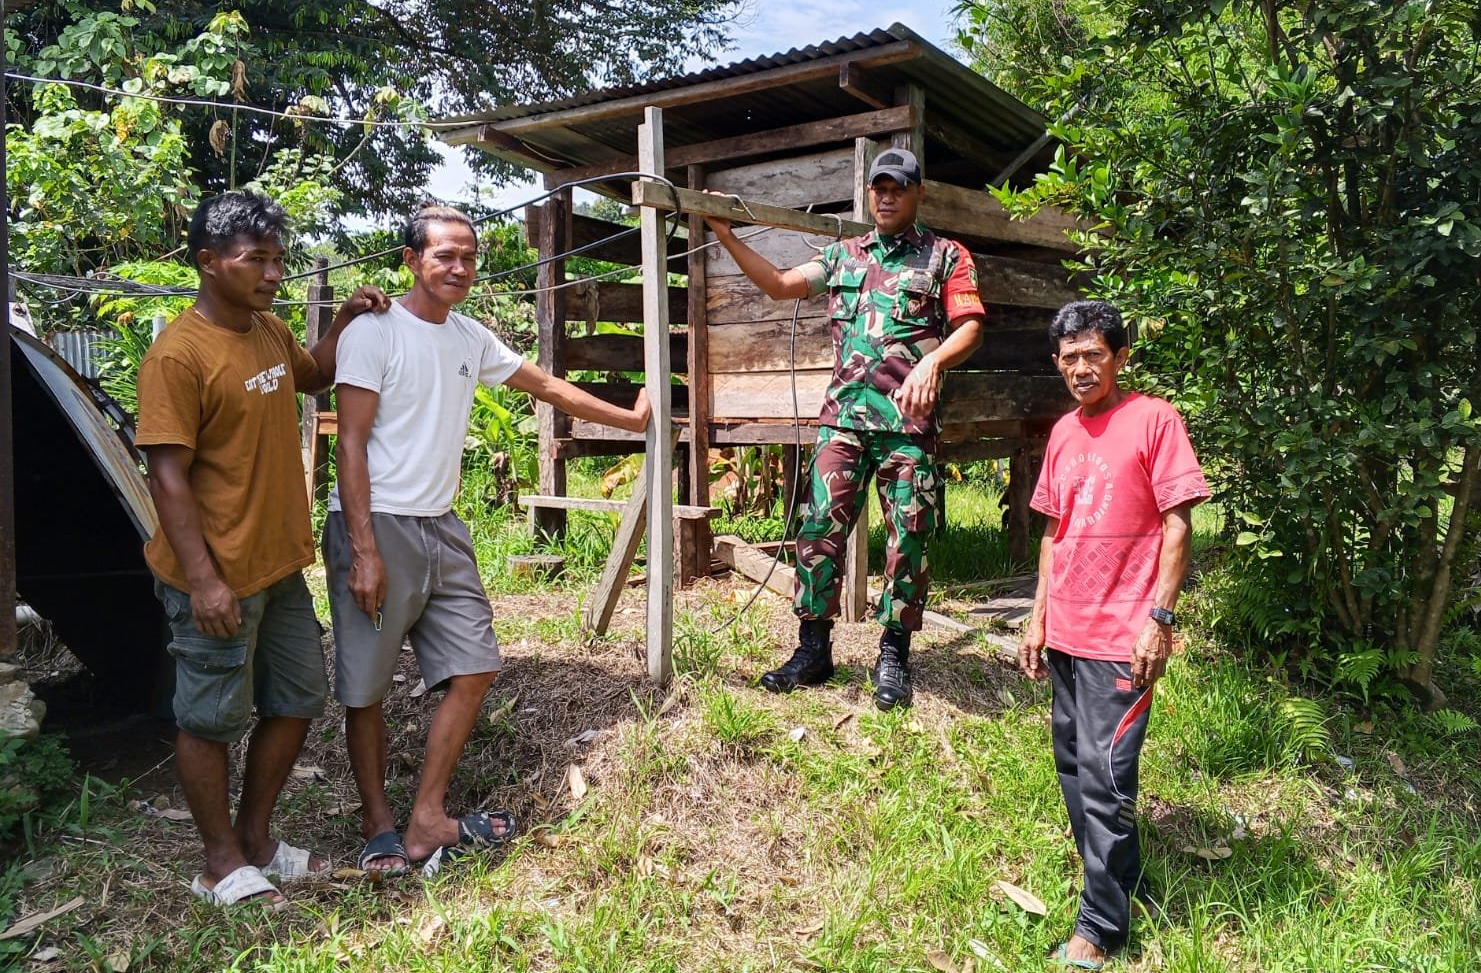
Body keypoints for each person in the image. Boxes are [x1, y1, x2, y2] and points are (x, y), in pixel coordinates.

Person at [326, 203, 649, 876]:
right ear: (412, 260)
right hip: (377, 522)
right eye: (444, 255)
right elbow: (349, 444)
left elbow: (547, 385)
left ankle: (426, 818)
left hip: (441, 525)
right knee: (366, 688)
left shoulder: (470, 337)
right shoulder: (372, 332)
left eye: (469, 257)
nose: (460, 267)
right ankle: (378, 824)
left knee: (475, 667)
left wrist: (629, 418)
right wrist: (364, 551)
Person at [137, 190, 389, 909]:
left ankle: (255, 838)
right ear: (208, 262)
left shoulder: (269, 330)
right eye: (257, 260)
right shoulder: (178, 355)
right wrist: (203, 580)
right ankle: (218, 863)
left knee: (298, 697)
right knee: (210, 717)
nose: (273, 274)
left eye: (278, 259)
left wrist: (343, 321)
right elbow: (167, 477)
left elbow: (314, 373)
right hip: (215, 573)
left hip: (277, 566)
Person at [704, 146, 985, 709]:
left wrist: (932, 362)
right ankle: (813, 649)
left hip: (907, 426)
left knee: (909, 538)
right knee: (817, 533)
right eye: (880, 188)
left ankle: (894, 653)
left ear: (918, 193)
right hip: (843, 422)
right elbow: (780, 284)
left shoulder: (945, 256)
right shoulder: (842, 256)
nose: (887, 197)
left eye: (898, 188)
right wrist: (723, 232)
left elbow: (971, 326)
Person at [1018, 300, 1211, 969]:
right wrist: (1038, 618)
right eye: (1069, 357)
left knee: (1106, 778)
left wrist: (1160, 620)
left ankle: (1099, 927)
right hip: (1068, 631)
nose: (1081, 368)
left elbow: (1179, 525)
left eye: (1093, 355)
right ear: (1057, 363)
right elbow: (1054, 532)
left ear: (1120, 358)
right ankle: (1126, 887)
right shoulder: (1063, 432)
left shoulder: (1154, 420)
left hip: (1123, 637)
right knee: (1076, 771)